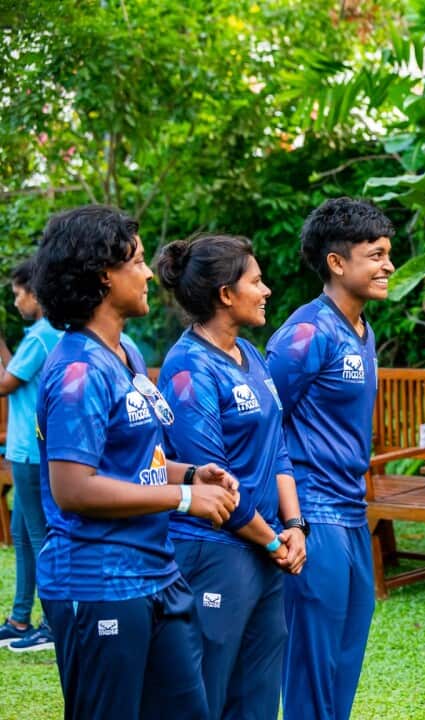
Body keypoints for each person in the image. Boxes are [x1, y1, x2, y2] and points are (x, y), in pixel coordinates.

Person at [31, 204, 240, 719]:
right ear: (104, 273)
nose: (148, 274)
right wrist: (186, 497)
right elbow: (74, 488)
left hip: (156, 574)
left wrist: (190, 473)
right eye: (138, 262)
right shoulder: (78, 369)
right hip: (98, 583)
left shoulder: (123, 352)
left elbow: (135, 462)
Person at [155, 234, 308, 719]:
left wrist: (296, 525)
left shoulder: (252, 354)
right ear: (225, 294)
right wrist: (272, 542)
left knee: (259, 693)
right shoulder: (188, 367)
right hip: (216, 551)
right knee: (208, 688)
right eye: (256, 281)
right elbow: (214, 486)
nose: (266, 291)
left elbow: (277, 447)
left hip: (266, 549)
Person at [266, 197, 393, 720]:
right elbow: (262, 425)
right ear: (337, 263)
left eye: (389, 254)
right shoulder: (305, 333)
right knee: (311, 667)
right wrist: (287, 516)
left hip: (351, 510)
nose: (388, 266)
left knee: (344, 659)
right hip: (313, 513)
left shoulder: (362, 331)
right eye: (376, 255)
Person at [0, 258, 62, 653]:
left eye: (19, 295)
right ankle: (20, 618)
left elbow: (5, 382)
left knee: (39, 537)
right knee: (23, 535)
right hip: (27, 448)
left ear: (36, 293)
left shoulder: (42, 334)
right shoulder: (44, 332)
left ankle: (52, 624)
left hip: (28, 451)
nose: (17, 303)